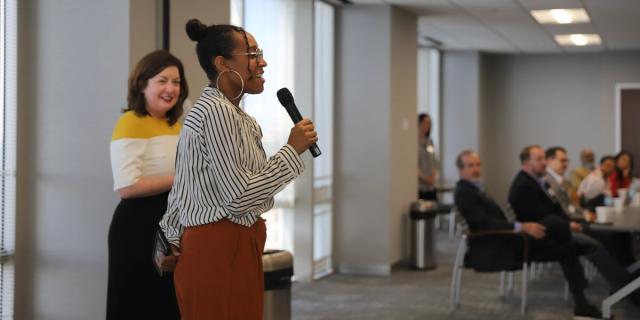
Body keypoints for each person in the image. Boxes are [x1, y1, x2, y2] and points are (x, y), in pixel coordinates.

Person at [158, 19, 317, 320]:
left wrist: (169, 237)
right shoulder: (216, 112)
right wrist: (291, 150)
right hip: (218, 248)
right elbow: (239, 197)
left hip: (231, 244)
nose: (263, 62)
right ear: (223, 64)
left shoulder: (231, 114)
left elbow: (184, 186)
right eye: (253, 55)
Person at [456, 150, 602, 319]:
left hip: (509, 240)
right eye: (470, 165)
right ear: (460, 169)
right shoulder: (464, 191)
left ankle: (582, 304)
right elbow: (483, 224)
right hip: (497, 247)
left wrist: (520, 228)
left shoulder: (475, 188)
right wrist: (521, 227)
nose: (476, 169)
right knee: (555, 223)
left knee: (566, 247)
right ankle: (580, 248)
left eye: (478, 164)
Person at [107, 50, 188, 320]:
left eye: (176, 82)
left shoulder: (175, 123)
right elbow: (127, 187)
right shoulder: (131, 122)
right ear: (143, 84)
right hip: (138, 227)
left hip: (170, 222)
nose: (171, 88)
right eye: (162, 80)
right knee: (139, 305)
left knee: (167, 305)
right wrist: (180, 179)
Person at [508, 145, 602, 319]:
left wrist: (567, 223)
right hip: (532, 241)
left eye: (545, 158)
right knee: (565, 235)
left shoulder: (537, 181)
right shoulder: (522, 185)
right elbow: (538, 218)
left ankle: (582, 304)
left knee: (568, 247)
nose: (545, 163)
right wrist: (567, 225)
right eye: (540, 159)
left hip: (550, 234)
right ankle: (583, 302)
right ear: (527, 162)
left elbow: (554, 209)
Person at [545, 147, 640, 305]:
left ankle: (628, 275)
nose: (566, 164)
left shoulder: (562, 180)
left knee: (617, 236)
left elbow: (570, 206)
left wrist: (582, 215)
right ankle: (625, 283)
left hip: (576, 218)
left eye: (566, 160)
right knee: (607, 238)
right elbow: (563, 210)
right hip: (569, 224)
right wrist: (579, 218)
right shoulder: (552, 181)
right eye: (562, 160)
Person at [418, 113, 439, 200]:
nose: (427, 126)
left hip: (431, 187)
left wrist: (434, 175)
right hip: (419, 187)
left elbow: (434, 160)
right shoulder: (413, 142)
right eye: (424, 123)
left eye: (429, 123)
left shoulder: (430, 142)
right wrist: (425, 178)